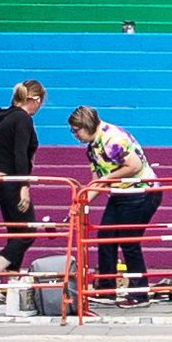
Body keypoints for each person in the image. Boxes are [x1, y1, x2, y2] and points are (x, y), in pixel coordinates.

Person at [68, 106, 162, 309]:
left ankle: (140, 293)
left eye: (76, 130)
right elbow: (97, 182)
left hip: (141, 191)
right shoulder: (92, 147)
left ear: (87, 125)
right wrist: (81, 201)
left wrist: (108, 178)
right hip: (120, 193)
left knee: (128, 242)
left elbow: (134, 166)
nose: (74, 135)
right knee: (106, 236)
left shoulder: (113, 139)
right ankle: (106, 287)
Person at [0, 80, 46, 300]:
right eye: (40, 103)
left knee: (16, 233)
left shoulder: (3, 118)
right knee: (27, 232)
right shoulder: (23, 119)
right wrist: (24, 186)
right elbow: (20, 154)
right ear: (34, 100)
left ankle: (13, 281)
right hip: (11, 182)